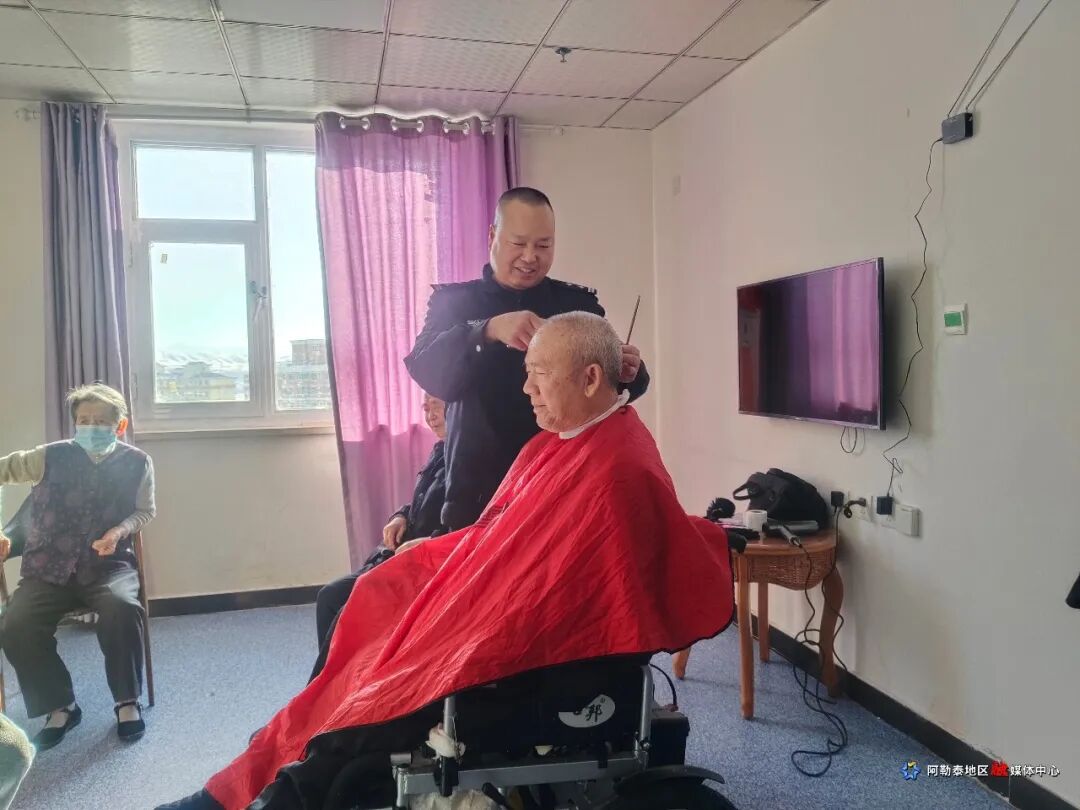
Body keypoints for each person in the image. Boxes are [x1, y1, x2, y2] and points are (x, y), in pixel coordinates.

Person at [157, 313, 733, 810]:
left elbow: (573, 592)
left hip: (528, 640)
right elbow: (504, 536)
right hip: (495, 595)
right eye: (526, 372)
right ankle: (283, 760)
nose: (526, 388)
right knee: (370, 598)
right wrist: (441, 556)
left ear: (589, 378)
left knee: (393, 681)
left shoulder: (616, 469)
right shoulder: (561, 442)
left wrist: (466, 613)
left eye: (539, 374)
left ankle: (287, 789)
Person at [404, 186, 650, 531]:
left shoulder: (575, 304)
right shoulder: (454, 303)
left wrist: (629, 370)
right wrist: (487, 331)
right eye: (518, 244)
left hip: (562, 486)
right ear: (493, 236)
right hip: (478, 493)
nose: (530, 257)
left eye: (543, 245)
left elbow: (612, 388)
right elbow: (428, 371)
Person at [0, 383, 155, 750]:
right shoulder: (48, 456)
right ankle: (62, 706)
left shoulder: (137, 462)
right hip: (48, 568)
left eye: (101, 421)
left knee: (122, 608)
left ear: (120, 425)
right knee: (16, 624)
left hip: (108, 565)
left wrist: (119, 531)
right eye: (84, 420)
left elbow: (145, 510)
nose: (91, 426)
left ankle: (127, 701)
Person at [308, 393, 447, 680]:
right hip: (396, 556)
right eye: (425, 408)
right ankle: (328, 686)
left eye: (436, 406)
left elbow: (467, 526)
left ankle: (332, 688)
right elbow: (421, 503)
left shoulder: (470, 460)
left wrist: (427, 543)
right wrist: (400, 516)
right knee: (330, 596)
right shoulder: (441, 450)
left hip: (423, 567)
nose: (430, 415)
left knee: (344, 611)